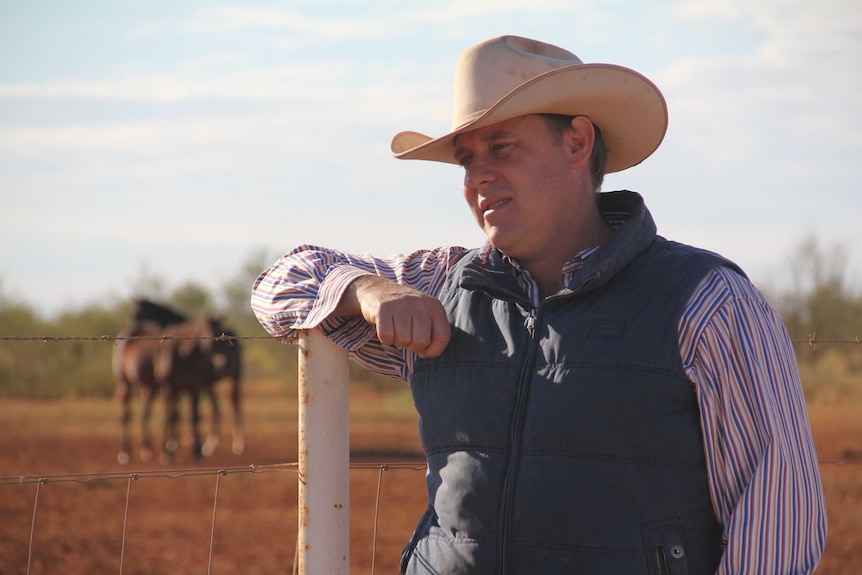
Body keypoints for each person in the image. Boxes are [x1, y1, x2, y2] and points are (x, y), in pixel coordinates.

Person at [251, 35, 826, 574]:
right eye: (466, 160)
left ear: (577, 143)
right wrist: (370, 290)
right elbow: (281, 283)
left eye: (502, 148)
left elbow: (779, 519)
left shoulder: (707, 301)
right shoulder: (441, 284)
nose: (479, 177)